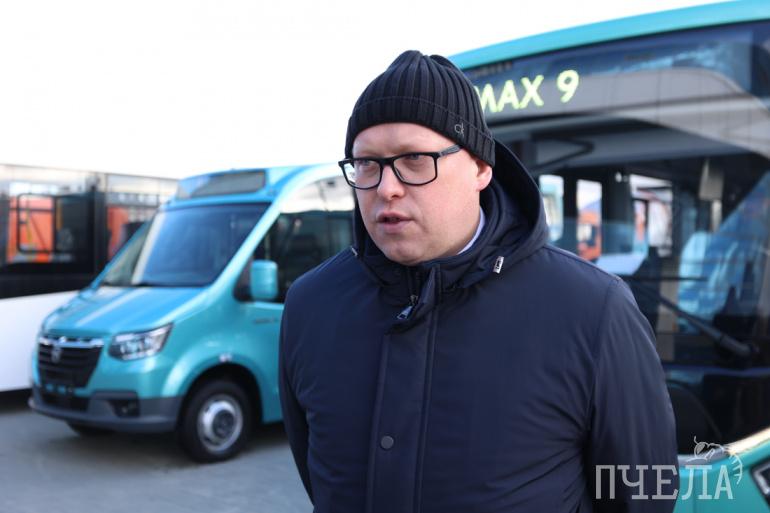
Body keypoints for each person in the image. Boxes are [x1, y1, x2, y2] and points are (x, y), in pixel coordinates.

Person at [279, 50, 679, 513]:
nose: (386, 187)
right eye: (367, 163)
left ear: (481, 169)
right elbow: (320, 479)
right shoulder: (311, 305)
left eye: (415, 159)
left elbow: (645, 496)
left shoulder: (594, 309)